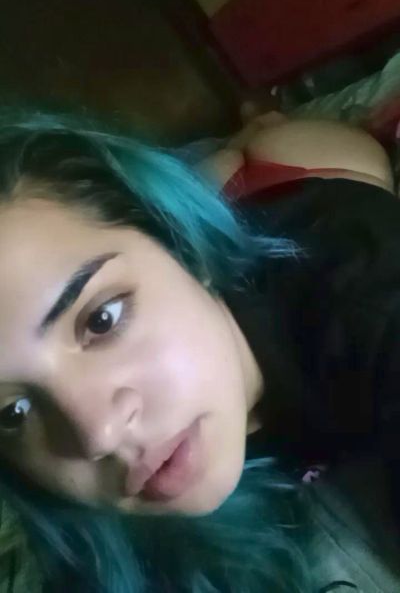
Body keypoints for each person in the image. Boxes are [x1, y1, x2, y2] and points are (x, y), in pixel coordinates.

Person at [0, 105, 398, 593]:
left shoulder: (364, 288)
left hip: (297, 175)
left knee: (294, 151)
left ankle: (255, 129)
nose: (99, 435)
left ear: (182, 244)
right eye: (12, 411)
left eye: (101, 320)